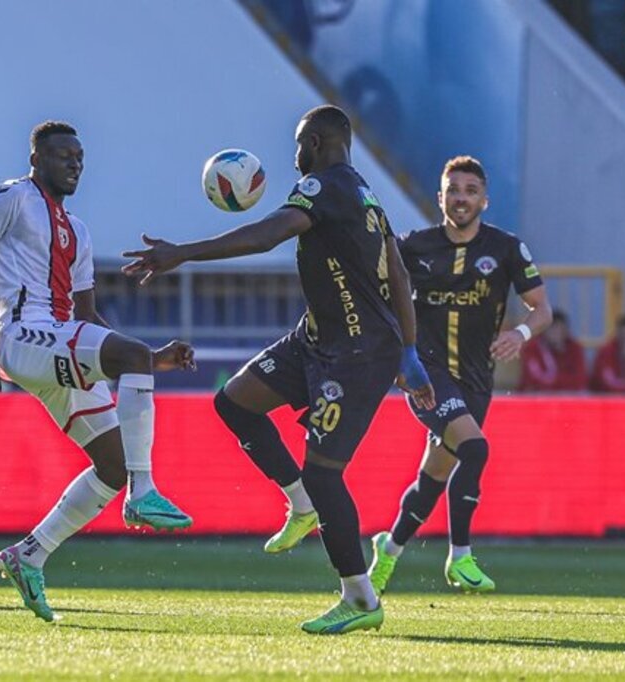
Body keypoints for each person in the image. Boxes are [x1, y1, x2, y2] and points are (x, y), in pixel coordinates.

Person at [122, 105, 434, 635]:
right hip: (315, 338)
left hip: (357, 353)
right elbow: (398, 273)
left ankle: (360, 597)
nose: (293, 157)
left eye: (297, 145)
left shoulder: (323, 187)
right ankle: (300, 502)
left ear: (315, 143)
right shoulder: (365, 196)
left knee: (325, 471)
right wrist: (410, 349)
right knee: (234, 402)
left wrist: (184, 254)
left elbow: (268, 235)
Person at [0, 120, 196, 623]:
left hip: (58, 343)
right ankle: (143, 491)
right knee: (129, 401)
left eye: (79, 157)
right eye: (63, 155)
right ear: (36, 159)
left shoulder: (77, 230)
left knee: (112, 466)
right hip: (22, 337)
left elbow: (87, 318)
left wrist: (151, 359)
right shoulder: (12, 197)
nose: (74, 163)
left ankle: (29, 555)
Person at [368, 156, 552, 596]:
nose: (461, 198)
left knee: (432, 480)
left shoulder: (506, 249)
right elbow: (377, 300)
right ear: (441, 198)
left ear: (484, 200)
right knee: (475, 448)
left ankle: (387, 550)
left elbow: (542, 308)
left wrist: (520, 334)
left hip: (476, 381)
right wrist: (396, 361)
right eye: (453, 190)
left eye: (470, 191)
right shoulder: (412, 247)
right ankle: (460, 556)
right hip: (427, 373)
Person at [517, 309, 587, 392]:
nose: (555, 333)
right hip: (538, 396)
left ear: (565, 331)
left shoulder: (574, 348)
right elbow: (534, 380)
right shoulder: (533, 348)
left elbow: (580, 379)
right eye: (552, 328)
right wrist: (562, 382)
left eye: (559, 329)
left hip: (567, 395)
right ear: (544, 330)